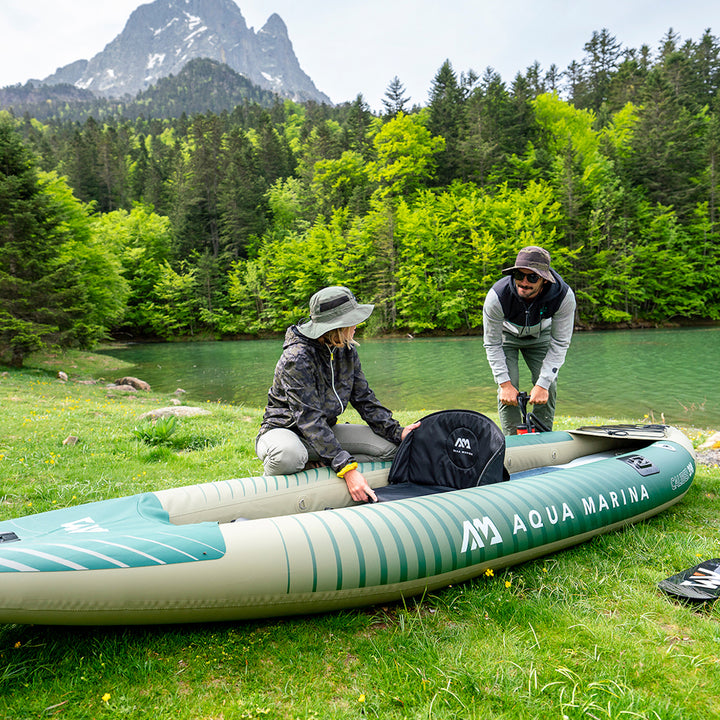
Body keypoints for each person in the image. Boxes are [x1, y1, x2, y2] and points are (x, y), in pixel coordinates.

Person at [256, 286, 420, 502]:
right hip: (285, 431)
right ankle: (290, 479)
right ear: (337, 325)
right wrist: (347, 469)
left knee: (390, 449)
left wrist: (397, 432)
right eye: (353, 320)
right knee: (288, 457)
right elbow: (309, 420)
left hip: (325, 431)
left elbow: (364, 399)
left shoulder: (346, 349)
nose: (357, 326)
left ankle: (321, 465)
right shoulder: (296, 358)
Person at [483, 246, 576, 435]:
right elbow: (492, 343)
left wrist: (542, 384)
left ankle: (543, 437)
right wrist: (505, 384)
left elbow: (560, 342)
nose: (524, 282)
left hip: (541, 336)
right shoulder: (497, 297)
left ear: (544, 279)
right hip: (506, 337)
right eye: (519, 275)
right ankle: (513, 442)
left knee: (548, 384)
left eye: (532, 277)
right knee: (508, 388)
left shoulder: (563, 296)